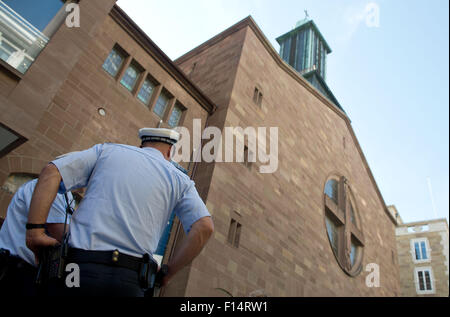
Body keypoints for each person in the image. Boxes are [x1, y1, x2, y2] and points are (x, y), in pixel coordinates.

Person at [25, 128, 214, 296]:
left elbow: (52, 171)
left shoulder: (107, 151)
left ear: (141, 145)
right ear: (169, 151)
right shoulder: (180, 179)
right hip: (131, 281)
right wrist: (168, 273)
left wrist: (35, 232)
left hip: (79, 269)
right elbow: (204, 227)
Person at [0, 178, 74, 296]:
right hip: (17, 270)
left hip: (21, 269)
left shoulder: (66, 194)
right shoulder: (53, 187)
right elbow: (64, 236)